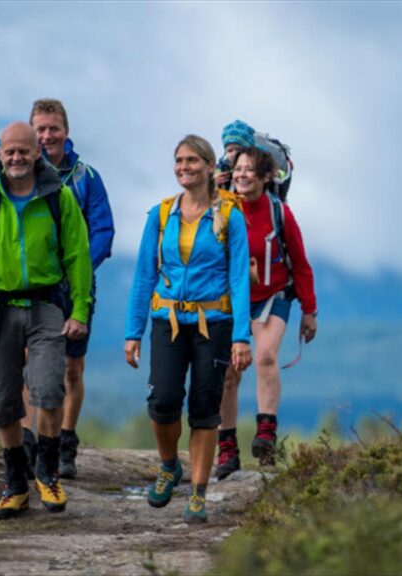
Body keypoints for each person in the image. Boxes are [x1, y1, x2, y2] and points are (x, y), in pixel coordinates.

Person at [0, 121, 92, 519]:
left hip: (47, 307)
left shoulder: (58, 198)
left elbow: (77, 256)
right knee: (3, 403)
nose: (16, 158)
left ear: (38, 153)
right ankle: (15, 485)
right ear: (0, 155)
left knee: (49, 389)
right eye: (9, 152)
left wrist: (80, 310)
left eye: (23, 151)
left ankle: (46, 475)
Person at [124, 134, 253, 523]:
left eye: (192, 160)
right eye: (179, 160)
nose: (184, 167)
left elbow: (239, 278)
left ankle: (197, 493)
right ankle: (169, 466)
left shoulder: (230, 215)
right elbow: (144, 275)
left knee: (204, 408)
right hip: (167, 321)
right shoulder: (161, 214)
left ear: (211, 166)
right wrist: (134, 331)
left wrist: (242, 337)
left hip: (215, 323)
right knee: (163, 402)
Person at [18, 98, 115, 480]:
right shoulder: (19, 174)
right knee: (29, 362)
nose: (46, 136)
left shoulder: (86, 176)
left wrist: (78, 270)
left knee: (72, 368)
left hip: (75, 289)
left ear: (66, 131)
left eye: (53, 128)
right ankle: (27, 442)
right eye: (39, 129)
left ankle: (65, 442)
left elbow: (103, 231)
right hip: (32, 287)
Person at [215, 145, 318, 479]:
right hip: (231, 301)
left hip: (273, 295)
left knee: (265, 357)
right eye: (238, 169)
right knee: (229, 374)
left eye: (250, 170)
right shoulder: (220, 208)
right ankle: (227, 449)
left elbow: (300, 264)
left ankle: (265, 436)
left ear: (265, 176)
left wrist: (309, 310)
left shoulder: (279, 213)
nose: (242, 175)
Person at [213, 119, 256, 191]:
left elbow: (279, 176)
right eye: (230, 150)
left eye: (238, 149)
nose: (234, 153)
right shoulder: (220, 168)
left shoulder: (258, 164)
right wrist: (212, 183)